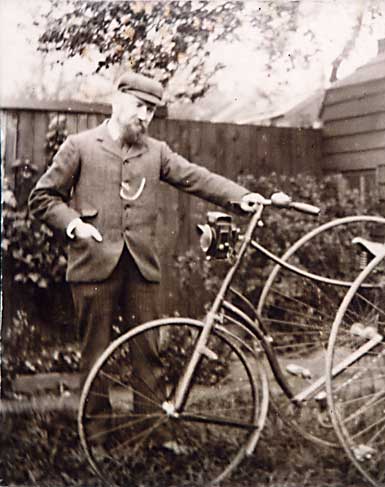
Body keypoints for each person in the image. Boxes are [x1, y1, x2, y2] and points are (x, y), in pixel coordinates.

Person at [28, 72, 266, 440]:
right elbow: (42, 198)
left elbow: (194, 177)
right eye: (140, 106)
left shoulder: (155, 152)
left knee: (148, 352)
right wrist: (75, 225)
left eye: (152, 110)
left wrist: (239, 196)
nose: (145, 116)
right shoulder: (80, 146)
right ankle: (97, 438)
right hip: (93, 266)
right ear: (118, 101)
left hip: (141, 268)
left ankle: (154, 433)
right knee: (96, 355)